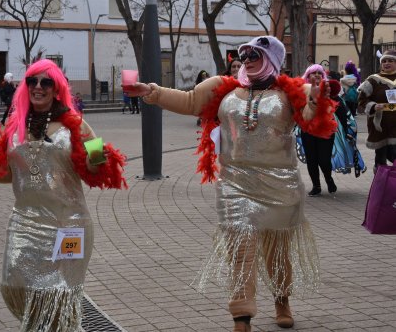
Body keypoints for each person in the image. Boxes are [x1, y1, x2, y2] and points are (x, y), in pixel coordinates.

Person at [125, 36, 336, 332]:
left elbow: (315, 120)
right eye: (243, 54)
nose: (247, 60)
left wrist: (317, 98)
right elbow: (189, 101)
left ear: (271, 58)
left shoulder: (291, 92)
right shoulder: (222, 89)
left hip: (279, 186)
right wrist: (152, 92)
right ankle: (241, 316)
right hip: (235, 185)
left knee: (278, 251)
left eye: (255, 54)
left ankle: (281, 300)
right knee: (240, 252)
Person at [0, 59, 127, 332]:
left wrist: (99, 159)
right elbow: (10, 173)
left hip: (68, 226)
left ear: (56, 88)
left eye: (46, 82)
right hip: (25, 223)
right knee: (13, 284)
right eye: (33, 81)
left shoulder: (78, 125)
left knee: (60, 296)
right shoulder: (14, 125)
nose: (38, 87)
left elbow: (95, 168)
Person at [300, 64, 337, 196]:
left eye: (319, 73)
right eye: (313, 73)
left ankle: (328, 178)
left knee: (324, 159)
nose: (316, 75)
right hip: (308, 130)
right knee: (312, 159)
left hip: (325, 130)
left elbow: (340, 108)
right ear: (308, 76)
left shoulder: (329, 90)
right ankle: (316, 186)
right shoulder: (301, 91)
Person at [358, 49, 396, 172]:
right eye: (384, 61)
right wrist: (373, 106)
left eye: (390, 60)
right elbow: (362, 100)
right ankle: (380, 186)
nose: (387, 63)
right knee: (381, 158)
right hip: (380, 126)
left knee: (393, 155)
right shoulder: (373, 80)